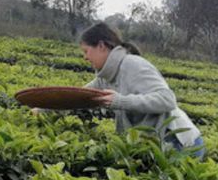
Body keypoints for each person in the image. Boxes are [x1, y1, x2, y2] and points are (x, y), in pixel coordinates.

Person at [78, 22, 205, 159]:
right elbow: (80, 95)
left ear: (101, 46)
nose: (85, 57)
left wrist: (121, 101)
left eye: (86, 51)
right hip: (154, 144)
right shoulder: (106, 76)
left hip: (178, 142)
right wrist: (53, 101)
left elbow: (167, 99)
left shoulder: (132, 65)